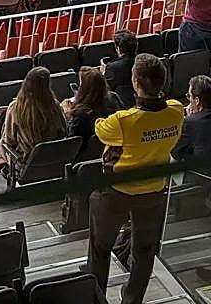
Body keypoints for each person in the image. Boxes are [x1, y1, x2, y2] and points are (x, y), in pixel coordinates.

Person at [87, 54, 184, 304]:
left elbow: (99, 128)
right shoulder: (176, 110)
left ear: (136, 83)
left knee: (100, 248)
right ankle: (132, 299)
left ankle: (97, 298)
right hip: (154, 191)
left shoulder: (123, 121)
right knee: (145, 250)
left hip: (117, 191)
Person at [0, 67, 67, 194]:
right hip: (53, 161)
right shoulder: (55, 105)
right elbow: (63, 131)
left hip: (26, 164)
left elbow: (9, 141)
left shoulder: (16, 108)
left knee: (2, 142)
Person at [63, 66, 119, 144]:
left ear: (85, 88)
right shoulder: (113, 98)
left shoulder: (81, 116)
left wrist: (68, 117)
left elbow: (72, 143)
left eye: (81, 85)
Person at [103, 29, 138, 109]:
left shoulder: (112, 67)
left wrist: (104, 73)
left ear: (118, 48)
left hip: (123, 107)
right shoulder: (143, 61)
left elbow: (106, 89)